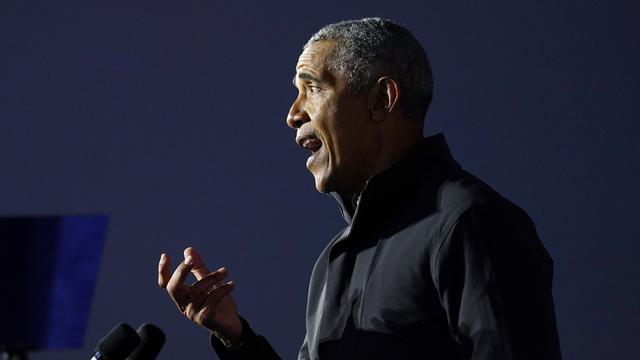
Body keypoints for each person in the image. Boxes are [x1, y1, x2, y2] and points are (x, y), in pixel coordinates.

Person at [157, 18, 562, 359]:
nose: (292, 114)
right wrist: (237, 339)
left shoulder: (470, 222)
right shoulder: (335, 260)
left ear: (381, 101)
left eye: (312, 88)